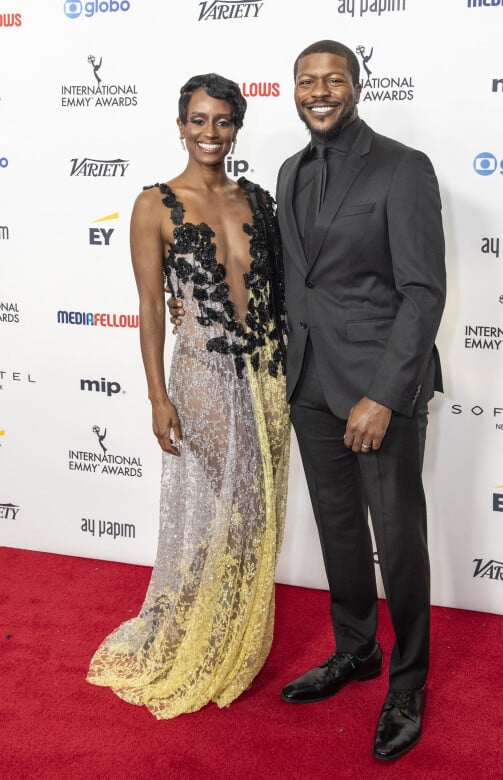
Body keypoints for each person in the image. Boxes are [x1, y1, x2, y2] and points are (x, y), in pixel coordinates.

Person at [170, 40, 445, 760]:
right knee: (339, 530)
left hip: (379, 390)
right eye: (306, 81)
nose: (319, 91)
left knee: (398, 535)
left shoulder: (402, 167)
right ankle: (356, 649)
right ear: (293, 90)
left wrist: (385, 394)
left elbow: (422, 292)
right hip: (309, 384)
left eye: (333, 80)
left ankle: (409, 680)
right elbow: (283, 282)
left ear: (355, 86)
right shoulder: (288, 173)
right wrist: (197, 309)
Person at [87, 73, 290, 719]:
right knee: (236, 504)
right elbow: (149, 306)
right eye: (198, 120)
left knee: (258, 514)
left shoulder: (259, 199)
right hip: (201, 369)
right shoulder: (155, 203)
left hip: (269, 373)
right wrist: (156, 395)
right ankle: (196, 637)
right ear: (181, 125)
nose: (210, 132)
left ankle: (231, 635)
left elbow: (280, 292)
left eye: (223, 121)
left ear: (237, 127)